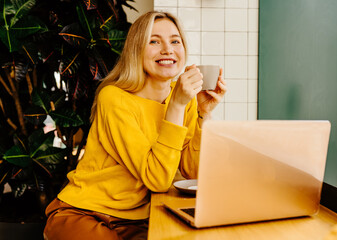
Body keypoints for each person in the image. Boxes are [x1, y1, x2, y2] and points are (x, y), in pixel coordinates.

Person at [43, 11, 226, 240]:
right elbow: (157, 180)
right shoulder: (114, 98)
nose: (168, 49)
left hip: (135, 221)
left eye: (175, 41)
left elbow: (192, 172)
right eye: (154, 41)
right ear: (136, 49)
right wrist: (177, 106)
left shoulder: (182, 100)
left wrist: (202, 114)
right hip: (84, 211)